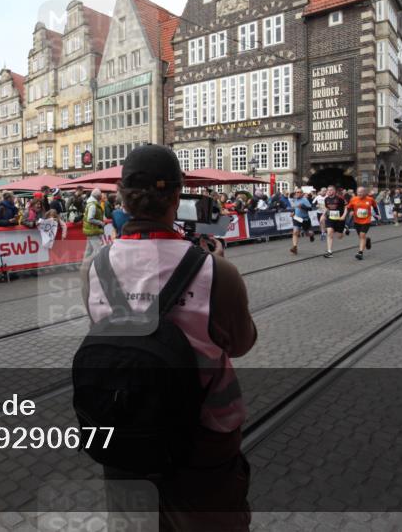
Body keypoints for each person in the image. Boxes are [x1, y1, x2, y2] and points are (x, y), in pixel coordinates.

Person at [77, 144, 255, 531]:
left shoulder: (93, 267)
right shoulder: (216, 271)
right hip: (204, 432)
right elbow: (241, 343)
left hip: (124, 424)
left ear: (121, 197)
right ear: (177, 195)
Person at [342, 186, 378, 260]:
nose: (359, 193)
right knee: (361, 237)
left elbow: (375, 206)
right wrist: (344, 215)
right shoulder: (354, 199)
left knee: (362, 235)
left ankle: (360, 252)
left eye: (361, 192)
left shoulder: (370, 199)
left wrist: (377, 214)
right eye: (358, 192)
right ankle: (367, 239)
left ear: (365, 192)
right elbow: (348, 207)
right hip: (357, 221)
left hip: (366, 220)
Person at [319, 185, 346, 258]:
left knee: (339, 237)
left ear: (334, 191)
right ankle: (329, 251)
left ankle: (344, 230)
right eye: (328, 190)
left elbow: (346, 207)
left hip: (339, 219)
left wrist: (343, 216)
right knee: (329, 233)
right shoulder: (326, 199)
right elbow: (326, 208)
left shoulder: (340, 198)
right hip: (330, 218)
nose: (329, 191)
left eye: (331, 190)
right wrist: (323, 215)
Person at [288, 188, 313, 255]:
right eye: (296, 192)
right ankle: (295, 247)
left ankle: (311, 235)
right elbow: (295, 208)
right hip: (297, 218)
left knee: (307, 233)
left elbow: (310, 208)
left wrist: (302, 207)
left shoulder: (305, 200)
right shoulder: (295, 200)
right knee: (295, 232)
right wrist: (293, 212)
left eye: (299, 192)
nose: (297, 193)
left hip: (305, 219)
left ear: (302, 193)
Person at [83, 187, 106, 258]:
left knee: (88, 252)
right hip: (93, 231)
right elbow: (90, 219)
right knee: (98, 251)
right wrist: (100, 222)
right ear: (98, 197)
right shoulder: (93, 205)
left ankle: (85, 267)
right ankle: (98, 267)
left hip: (91, 230)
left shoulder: (90, 203)